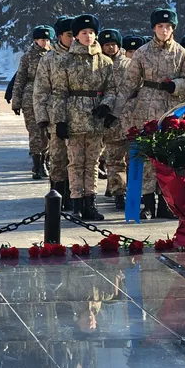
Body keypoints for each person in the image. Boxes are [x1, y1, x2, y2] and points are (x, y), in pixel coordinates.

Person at [122, 8, 185, 219]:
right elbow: (129, 83)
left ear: (173, 29)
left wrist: (175, 85)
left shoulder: (181, 53)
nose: (164, 30)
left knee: (169, 156)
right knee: (147, 155)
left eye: (168, 27)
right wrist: (123, 109)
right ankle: (147, 203)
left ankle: (166, 202)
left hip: (171, 109)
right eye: (160, 27)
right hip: (145, 107)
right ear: (153, 28)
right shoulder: (142, 52)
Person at [52, 14, 117, 220]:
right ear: (76, 36)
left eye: (91, 32)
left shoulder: (105, 62)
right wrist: (60, 120)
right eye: (83, 33)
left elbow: (112, 89)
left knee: (93, 163)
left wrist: (106, 106)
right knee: (75, 163)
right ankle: (76, 202)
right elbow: (59, 93)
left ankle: (91, 202)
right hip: (73, 118)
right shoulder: (66, 61)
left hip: (95, 120)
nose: (88, 36)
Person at [33, 16, 74, 207]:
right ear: (59, 36)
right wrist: (42, 117)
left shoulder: (82, 57)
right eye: (69, 35)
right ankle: (57, 196)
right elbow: (40, 90)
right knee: (58, 157)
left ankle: (76, 197)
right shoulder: (49, 58)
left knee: (77, 159)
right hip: (54, 115)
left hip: (79, 116)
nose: (73, 39)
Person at [13, 25, 54, 179]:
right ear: (36, 40)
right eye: (42, 40)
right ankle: (37, 163)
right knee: (35, 132)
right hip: (30, 97)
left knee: (49, 132)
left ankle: (46, 158)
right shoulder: (28, 57)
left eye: (48, 40)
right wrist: (16, 102)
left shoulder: (54, 55)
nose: (45, 43)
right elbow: (19, 80)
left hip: (49, 98)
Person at [99, 29, 131, 210]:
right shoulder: (99, 65)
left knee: (131, 160)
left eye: (114, 44)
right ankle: (118, 193)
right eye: (107, 45)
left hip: (129, 118)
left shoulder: (129, 65)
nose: (111, 48)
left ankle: (132, 191)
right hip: (109, 120)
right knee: (113, 159)